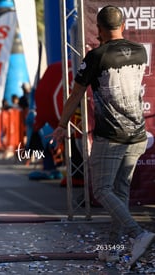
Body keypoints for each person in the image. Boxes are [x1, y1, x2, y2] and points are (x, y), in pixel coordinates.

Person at [50, 6, 154, 267]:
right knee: (120, 194)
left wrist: (62, 124)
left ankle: (138, 234)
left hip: (111, 136)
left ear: (98, 28)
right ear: (123, 24)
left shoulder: (95, 56)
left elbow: (75, 95)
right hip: (138, 134)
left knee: (102, 190)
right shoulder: (141, 51)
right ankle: (114, 249)